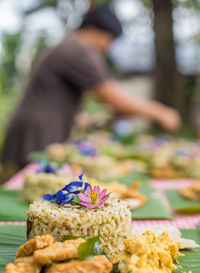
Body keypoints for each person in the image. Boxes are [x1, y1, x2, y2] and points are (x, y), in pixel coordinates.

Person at [1, 4, 181, 172]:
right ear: (97, 31)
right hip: (37, 136)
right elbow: (115, 100)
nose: (107, 47)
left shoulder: (66, 46)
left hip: (32, 130)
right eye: (109, 40)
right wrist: (161, 112)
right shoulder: (79, 50)